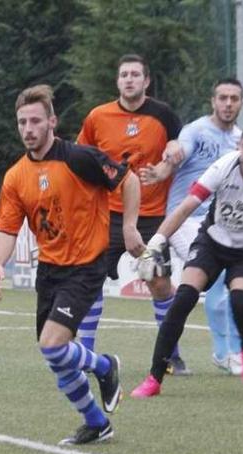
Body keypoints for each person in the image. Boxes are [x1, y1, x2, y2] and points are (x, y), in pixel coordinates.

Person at [0, 84, 143, 445]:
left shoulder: (79, 158)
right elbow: (8, 228)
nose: (28, 129)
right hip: (51, 270)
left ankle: (105, 367)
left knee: (53, 344)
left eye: (35, 121)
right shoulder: (15, 176)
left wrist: (131, 225)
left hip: (87, 264)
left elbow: (129, 180)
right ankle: (96, 422)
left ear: (52, 122)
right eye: (22, 122)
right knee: (55, 357)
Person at [130, 122, 243, 398]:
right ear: (239, 146)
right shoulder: (223, 167)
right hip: (211, 243)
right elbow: (185, 208)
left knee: (241, 301)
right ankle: (154, 378)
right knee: (182, 299)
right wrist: (155, 244)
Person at [142, 78, 243, 375]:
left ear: (241, 102)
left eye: (234, 98)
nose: (227, 104)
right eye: (222, 98)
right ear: (213, 101)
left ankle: (232, 352)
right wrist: (164, 166)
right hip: (185, 218)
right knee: (222, 271)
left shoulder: (241, 141)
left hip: (218, 222)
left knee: (232, 279)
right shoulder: (197, 130)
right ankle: (227, 353)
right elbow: (177, 153)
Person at [77, 53, 190, 374]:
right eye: (124, 74)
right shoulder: (98, 117)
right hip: (107, 213)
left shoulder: (164, 114)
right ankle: (85, 353)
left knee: (160, 283)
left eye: (135, 74)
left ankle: (170, 356)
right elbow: (82, 156)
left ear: (146, 81)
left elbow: (177, 149)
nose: (129, 79)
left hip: (153, 216)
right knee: (91, 280)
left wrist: (167, 162)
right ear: (117, 81)